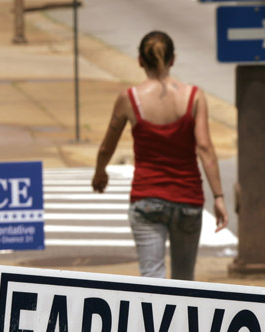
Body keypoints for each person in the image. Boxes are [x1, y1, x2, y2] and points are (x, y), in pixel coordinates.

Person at [92, 30, 228, 281]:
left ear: (140, 61)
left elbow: (106, 147)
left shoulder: (129, 99)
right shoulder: (194, 97)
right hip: (188, 199)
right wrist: (218, 196)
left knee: (152, 281)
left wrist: (100, 173)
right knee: (184, 281)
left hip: (147, 199)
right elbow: (205, 148)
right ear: (173, 59)